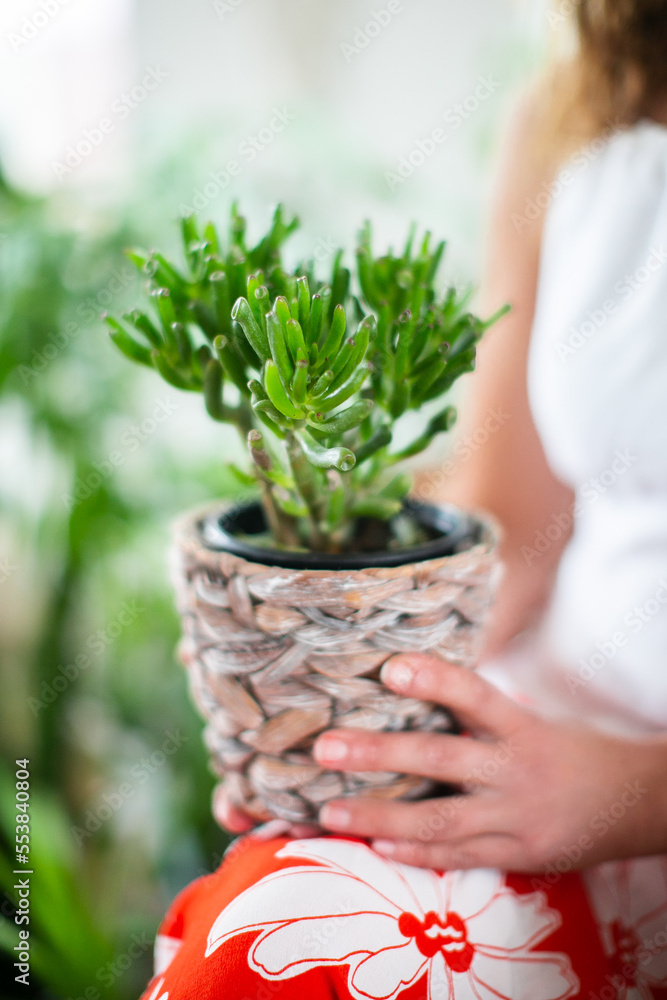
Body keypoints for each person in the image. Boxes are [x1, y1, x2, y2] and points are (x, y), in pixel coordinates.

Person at [140, 2, 667, 997]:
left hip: (628, 796)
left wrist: (627, 795)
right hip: (531, 730)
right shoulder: (581, 105)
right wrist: (312, 650)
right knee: (260, 941)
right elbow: (512, 523)